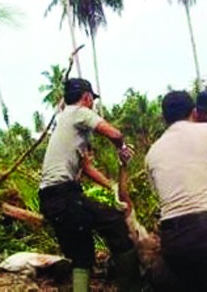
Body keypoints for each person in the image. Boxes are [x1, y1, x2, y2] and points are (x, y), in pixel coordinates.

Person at [38, 78, 140, 292]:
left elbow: (86, 169)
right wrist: (121, 148)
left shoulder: (64, 118)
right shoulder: (79, 112)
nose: (92, 104)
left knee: (82, 254)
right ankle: (132, 287)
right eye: (91, 100)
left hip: (53, 197)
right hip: (64, 195)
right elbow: (115, 134)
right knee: (116, 225)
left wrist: (112, 186)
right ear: (86, 97)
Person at [145, 91, 207, 292]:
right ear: (194, 112)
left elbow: (158, 193)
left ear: (164, 118)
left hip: (171, 238)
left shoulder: (152, 152)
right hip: (206, 231)